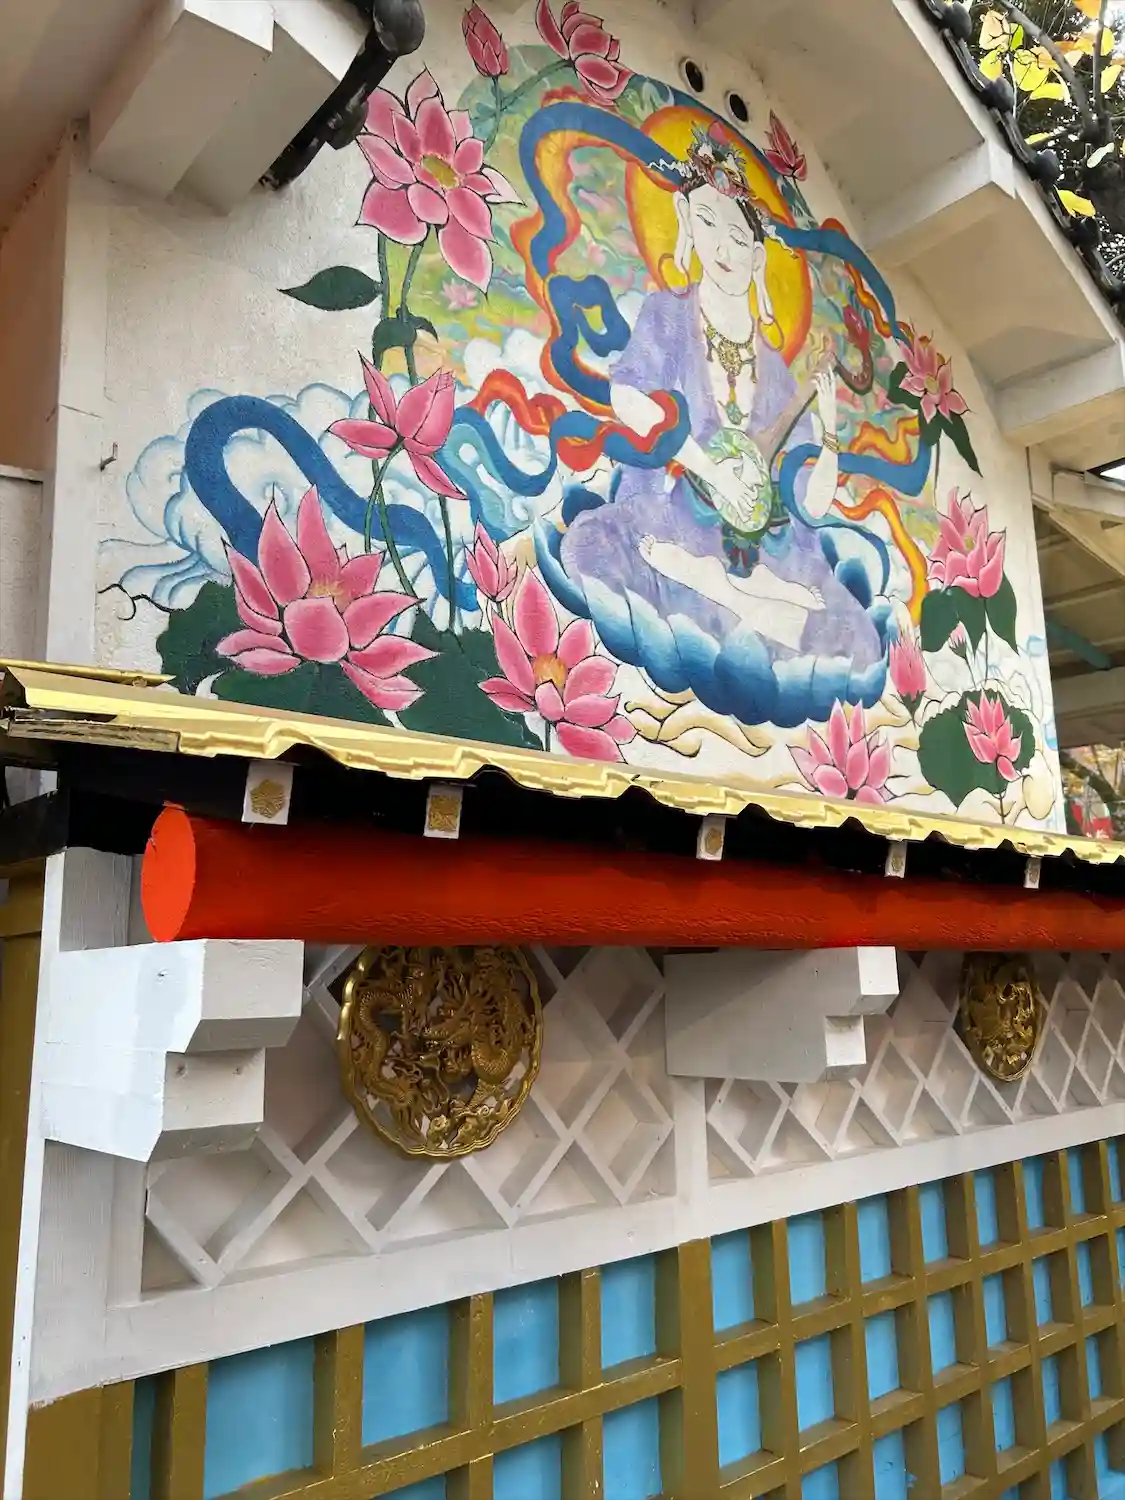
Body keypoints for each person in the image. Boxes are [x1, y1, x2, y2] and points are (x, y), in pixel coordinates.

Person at [560, 126, 884, 667]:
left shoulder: (777, 372)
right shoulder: (668, 315)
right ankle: (733, 595)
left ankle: (730, 592)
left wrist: (829, 429)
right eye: (707, 222)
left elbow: (809, 503)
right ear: (686, 222)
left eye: (737, 235)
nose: (722, 246)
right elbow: (627, 396)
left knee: (860, 642)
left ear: (758, 258)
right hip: (675, 518)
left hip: (760, 551)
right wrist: (711, 470)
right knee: (591, 548)